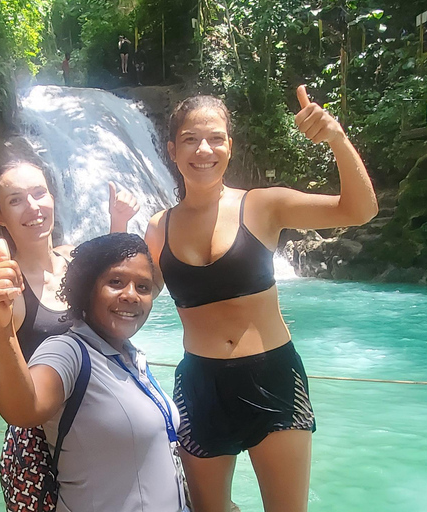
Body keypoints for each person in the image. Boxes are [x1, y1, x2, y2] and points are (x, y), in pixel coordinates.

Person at [144, 88, 378, 512]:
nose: (204, 149)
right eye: (191, 139)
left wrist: (336, 139)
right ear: (172, 150)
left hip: (272, 374)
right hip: (200, 383)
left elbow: (358, 210)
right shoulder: (158, 228)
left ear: (230, 146)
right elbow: (134, 297)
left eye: (216, 138)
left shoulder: (264, 205)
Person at [0, 232, 187, 512]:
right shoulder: (69, 351)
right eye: (115, 282)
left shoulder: (129, 355)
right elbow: (24, 408)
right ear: (87, 288)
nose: (131, 295)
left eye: (143, 287)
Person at [0, 161, 139, 396]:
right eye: (15, 200)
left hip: (98, 416)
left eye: (39, 193)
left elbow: (115, 288)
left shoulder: (74, 258)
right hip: (45, 428)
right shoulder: (4, 292)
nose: (33, 207)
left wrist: (119, 222)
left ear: (52, 198)